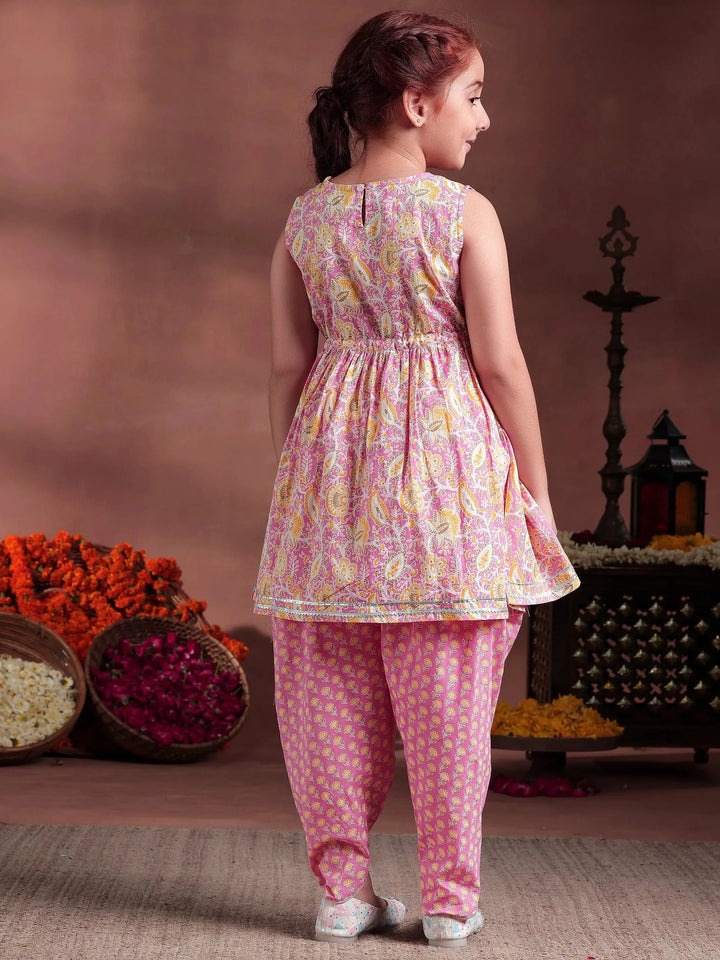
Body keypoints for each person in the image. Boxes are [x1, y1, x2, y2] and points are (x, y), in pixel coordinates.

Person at [254, 9, 579, 948]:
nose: (484, 118)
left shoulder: (305, 219)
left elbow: (288, 366)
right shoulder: (461, 212)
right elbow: (500, 365)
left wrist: (296, 481)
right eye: (473, 96)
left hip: (328, 482)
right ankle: (447, 902)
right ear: (416, 102)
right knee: (449, 704)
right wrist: (537, 493)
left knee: (325, 694)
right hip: (445, 486)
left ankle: (343, 895)